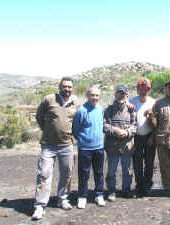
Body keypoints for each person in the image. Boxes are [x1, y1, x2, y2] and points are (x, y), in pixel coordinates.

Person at [32, 77, 80, 220]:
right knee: (44, 175)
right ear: (60, 87)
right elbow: (39, 116)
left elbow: (78, 120)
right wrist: (47, 130)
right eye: (65, 86)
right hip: (48, 145)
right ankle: (40, 206)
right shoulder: (49, 99)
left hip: (67, 145)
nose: (67, 89)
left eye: (70, 87)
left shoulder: (76, 102)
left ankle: (63, 199)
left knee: (67, 174)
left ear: (72, 88)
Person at [72, 84, 106, 209]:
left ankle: (99, 194)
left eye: (97, 95)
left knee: (99, 172)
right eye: (92, 95)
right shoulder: (82, 110)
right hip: (85, 149)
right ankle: (82, 196)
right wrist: (83, 141)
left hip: (99, 147)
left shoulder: (100, 109)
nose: (94, 97)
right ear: (87, 96)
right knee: (84, 174)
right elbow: (75, 130)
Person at [104, 84, 137, 201]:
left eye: (123, 93)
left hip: (127, 146)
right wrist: (116, 131)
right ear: (115, 94)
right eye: (119, 92)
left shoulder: (131, 110)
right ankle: (111, 191)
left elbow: (135, 125)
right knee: (111, 171)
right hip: (112, 146)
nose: (121, 95)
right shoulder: (108, 110)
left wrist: (127, 132)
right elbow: (104, 126)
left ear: (127, 95)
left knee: (127, 171)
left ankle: (126, 190)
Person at [129, 78, 156, 197]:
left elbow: (157, 122)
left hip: (150, 136)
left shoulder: (153, 102)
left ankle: (147, 185)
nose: (143, 90)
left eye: (145, 88)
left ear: (149, 89)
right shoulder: (131, 101)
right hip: (136, 137)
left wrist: (153, 136)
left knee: (149, 162)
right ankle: (139, 185)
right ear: (137, 89)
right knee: (137, 162)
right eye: (141, 88)